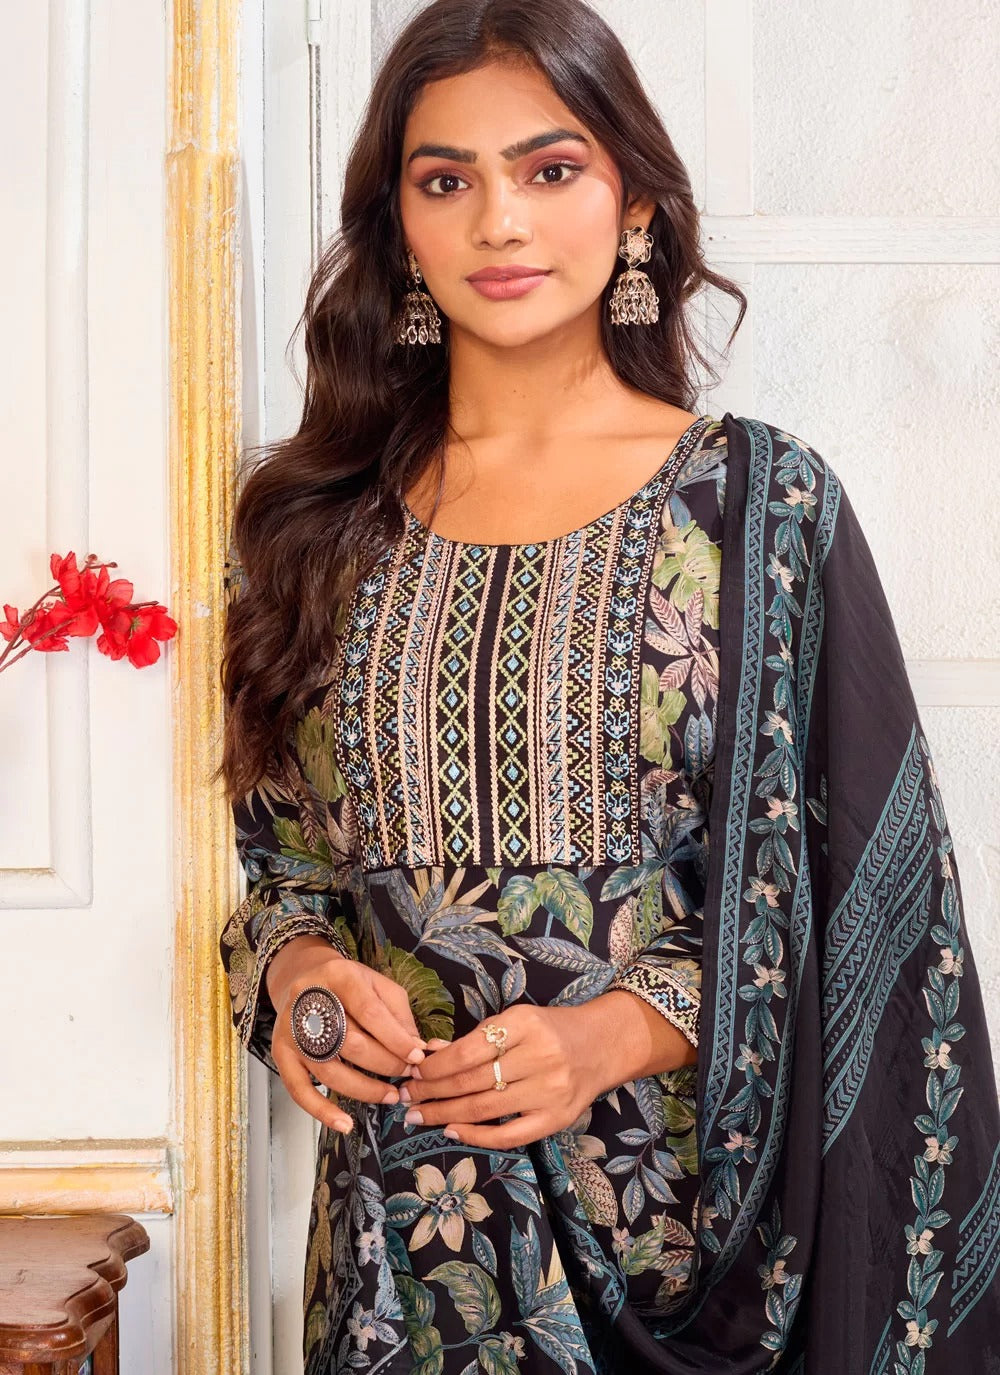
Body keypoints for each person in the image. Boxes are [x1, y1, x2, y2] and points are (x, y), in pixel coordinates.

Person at [217, 2, 1000, 1371]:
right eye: (445, 180)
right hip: (409, 1265)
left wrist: (614, 1037)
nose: (498, 222)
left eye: (551, 168)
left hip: (694, 1259)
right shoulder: (312, 526)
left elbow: (852, 906)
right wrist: (298, 983)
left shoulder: (760, 506)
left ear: (632, 201)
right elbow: (279, 870)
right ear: (400, 228)